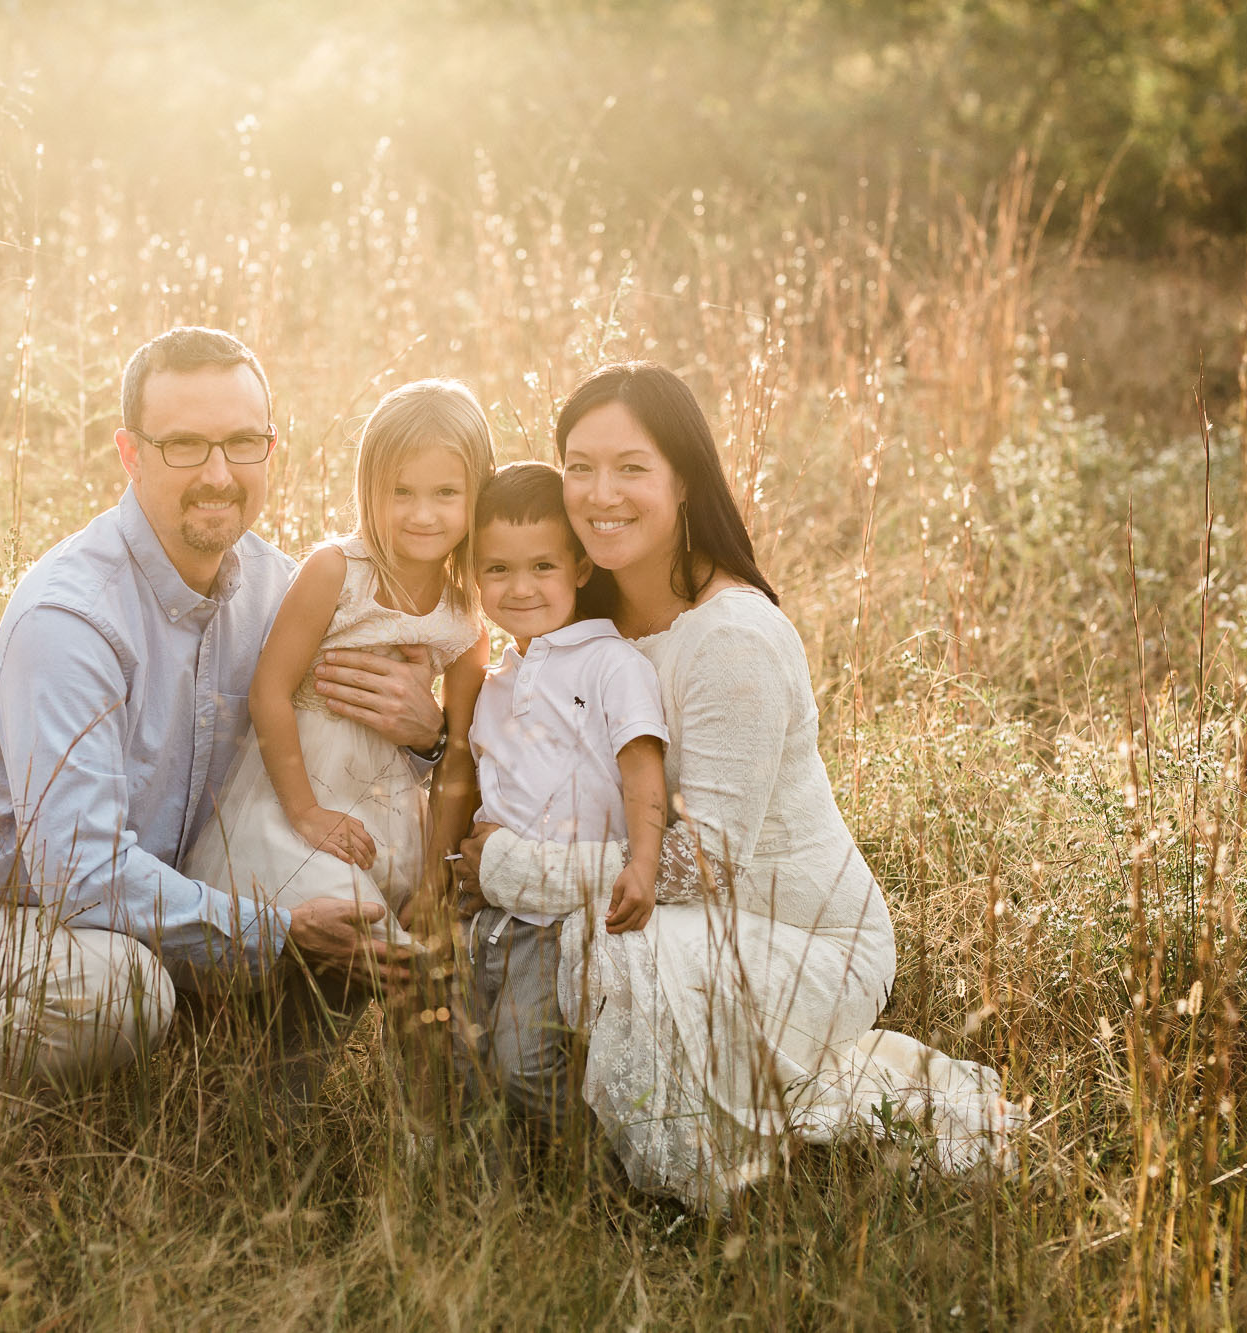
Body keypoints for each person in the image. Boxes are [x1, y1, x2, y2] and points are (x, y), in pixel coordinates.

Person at [458, 361, 1019, 1211]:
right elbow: (521, 737)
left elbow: (703, 863)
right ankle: (556, 1156)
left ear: (684, 478)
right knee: (561, 944)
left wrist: (508, 868)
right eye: (580, 466)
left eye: (631, 467)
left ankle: (672, 1189)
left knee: (616, 943)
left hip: (804, 937)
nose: (600, 494)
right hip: (684, 909)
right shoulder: (580, 608)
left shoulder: (732, 639)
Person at [0, 327, 444, 1151]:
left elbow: (363, 749)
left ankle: (258, 1140)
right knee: (122, 988)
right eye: (185, 444)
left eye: (242, 442)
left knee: (363, 886)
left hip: (173, 913)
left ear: (271, 449)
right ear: (131, 454)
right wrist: (276, 932)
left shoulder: (282, 589)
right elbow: (80, 876)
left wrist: (429, 734)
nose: (218, 473)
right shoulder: (72, 618)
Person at [184, 379, 491, 944]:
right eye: (401, 491)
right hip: (298, 798)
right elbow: (269, 692)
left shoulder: (465, 619)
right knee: (348, 926)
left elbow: (458, 754)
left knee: (402, 951)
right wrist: (305, 813)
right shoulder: (337, 571)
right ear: (369, 487)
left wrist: (435, 877)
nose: (423, 514)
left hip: (391, 816)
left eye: (447, 492)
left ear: (479, 492)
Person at [453, 460, 669, 1150]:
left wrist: (644, 862)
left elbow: (642, 766)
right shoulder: (493, 682)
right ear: (474, 575)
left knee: (524, 1063)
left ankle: (593, 1173)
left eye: (542, 566)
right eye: (498, 569)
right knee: (464, 1062)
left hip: (560, 919)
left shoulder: (611, 662)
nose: (520, 588)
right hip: (488, 912)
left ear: (579, 566)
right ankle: (494, 1189)